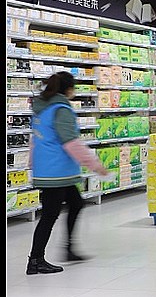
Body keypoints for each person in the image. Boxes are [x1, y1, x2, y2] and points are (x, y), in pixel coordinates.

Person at [27, 71, 111, 274]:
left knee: (76, 203)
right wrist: (94, 165)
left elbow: (35, 139)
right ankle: (35, 260)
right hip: (56, 172)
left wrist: (32, 163)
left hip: (50, 169)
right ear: (69, 89)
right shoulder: (61, 109)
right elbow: (71, 143)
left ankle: (69, 249)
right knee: (49, 215)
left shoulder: (41, 108)